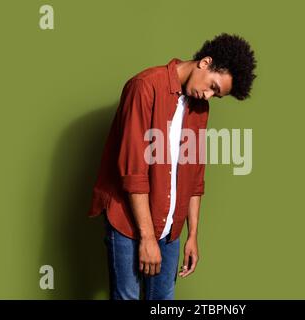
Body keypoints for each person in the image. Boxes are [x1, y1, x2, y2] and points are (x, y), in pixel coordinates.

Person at [87, 33, 257, 300]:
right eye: (212, 86)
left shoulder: (200, 108)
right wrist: (146, 238)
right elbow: (134, 173)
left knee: (163, 301)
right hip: (128, 223)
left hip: (169, 227)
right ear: (205, 62)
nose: (209, 96)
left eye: (217, 94)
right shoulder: (144, 87)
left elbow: (194, 175)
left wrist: (192, 235)